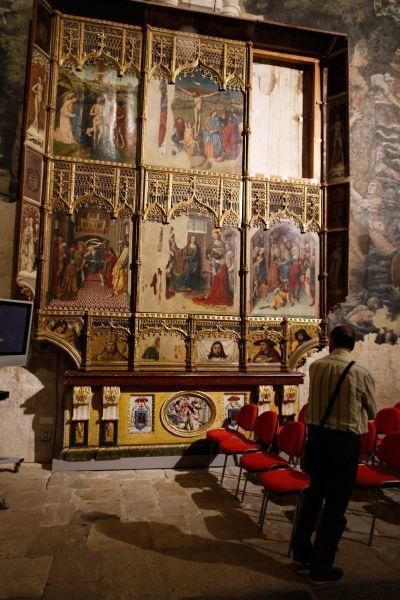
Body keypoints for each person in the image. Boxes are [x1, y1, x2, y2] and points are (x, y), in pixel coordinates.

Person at [292, 325, 377, 584]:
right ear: (352, 345)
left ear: (331, 342)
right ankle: (321, 566)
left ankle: (302, 552)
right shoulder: (360, 372)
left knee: (314, 495)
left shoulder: (317, 367)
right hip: (344, 443)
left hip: (317, 438)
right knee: (336, 505)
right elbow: (372, 411)